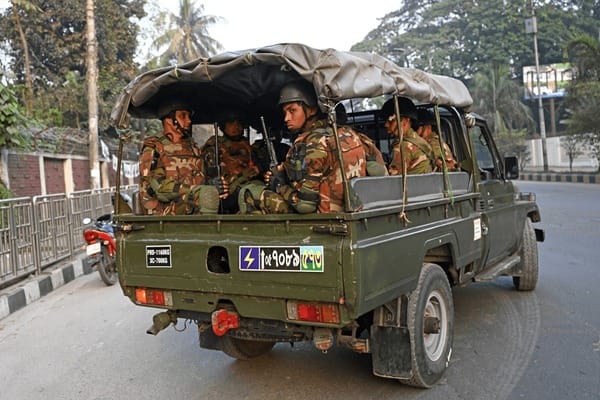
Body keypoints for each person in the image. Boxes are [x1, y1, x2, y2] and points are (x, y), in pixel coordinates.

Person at [239, 80, 370, 214]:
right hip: (353, 211)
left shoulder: (312, 143)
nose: (286, 118)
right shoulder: (349, 134)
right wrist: (283, 173)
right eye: (285, 112)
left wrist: (279, 186)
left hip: (322, 217)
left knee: (249, 192)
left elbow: (305, 205)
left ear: (311, 110)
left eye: (292, 110)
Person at [138, 102, 227, 215]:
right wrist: (202, 188)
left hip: (193, 206)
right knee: (206, 194)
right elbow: (160, 189)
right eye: (183, 116)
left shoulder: (193, 148)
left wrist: (217, 186)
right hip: (164, 212)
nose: (188, 120)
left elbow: (202, 178)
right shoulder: (154, 148)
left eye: (189, 116)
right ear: (169, 120)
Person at [202, 110, 258, 213]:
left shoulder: (248, 147)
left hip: (250, 187)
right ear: (223, 126)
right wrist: (242, 176)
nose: (236, 127)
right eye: (231, 123)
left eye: (239, 123)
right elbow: (214, 181)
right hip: (229, 194)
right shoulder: (214, 148)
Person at [381, 97, 434, 175]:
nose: (386, 125)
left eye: (391, 121)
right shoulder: (418, 141)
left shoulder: (403, 146)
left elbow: (393, 178)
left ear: (405, 121)